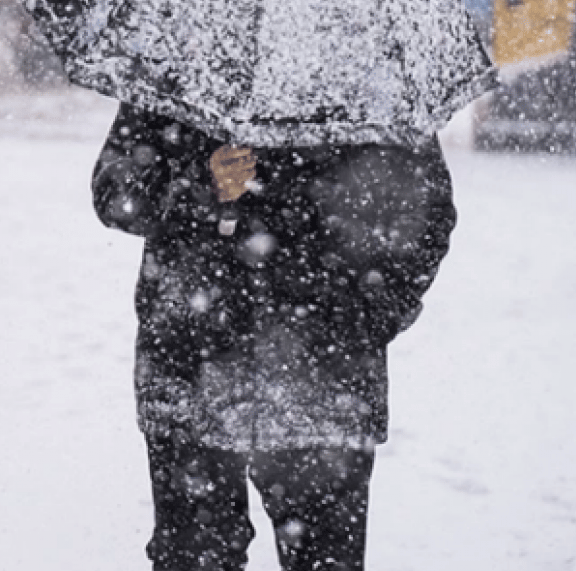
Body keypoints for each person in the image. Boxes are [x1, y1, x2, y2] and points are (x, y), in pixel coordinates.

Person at [92, 103, 457, 571]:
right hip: (192, 365)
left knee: (324, 560)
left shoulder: (367, 76)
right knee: (194, 558)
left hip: (323, 378)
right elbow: (115, 194)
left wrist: (367, 317)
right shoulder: (181, 66)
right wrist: (200, 187)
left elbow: (425, 213)